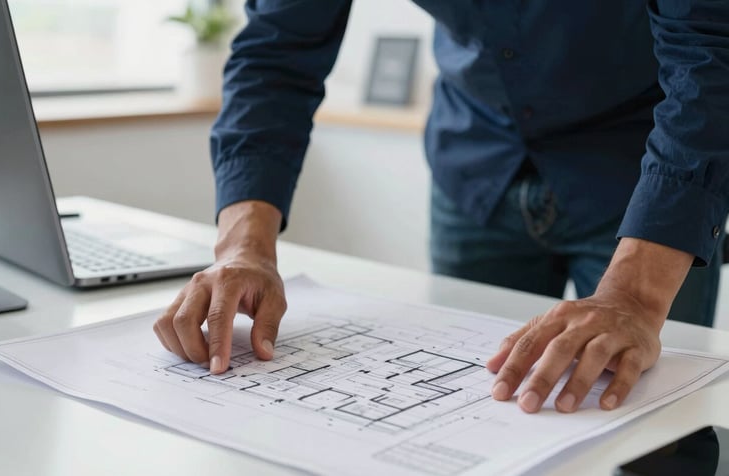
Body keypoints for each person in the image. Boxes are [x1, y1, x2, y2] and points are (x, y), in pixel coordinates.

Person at [153, 1, 729, 414]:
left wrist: (633, 296)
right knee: (472, 407)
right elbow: (276, 56)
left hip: (648, 180)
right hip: (476, 159)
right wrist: (244, 247)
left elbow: (710, 59)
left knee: (647, 416)